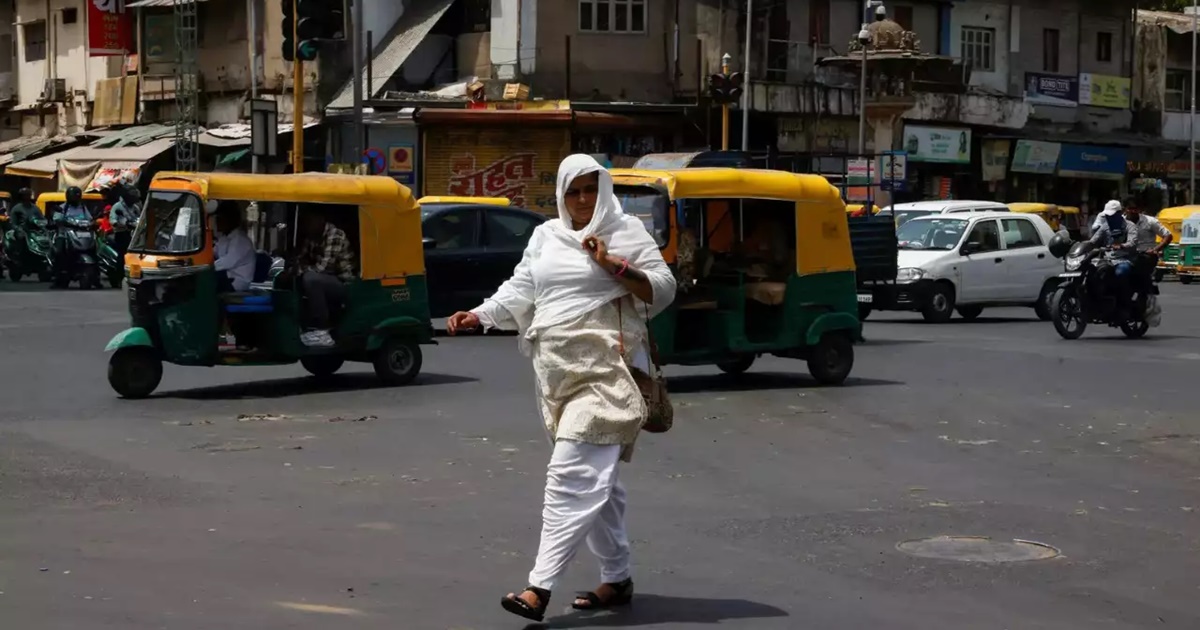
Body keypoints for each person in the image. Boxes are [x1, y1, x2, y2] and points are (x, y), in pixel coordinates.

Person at [446, 154, 676, 623]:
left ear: (605, 191)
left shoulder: (626, 231)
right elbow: (522, 288)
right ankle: (617, 577)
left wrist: (612, 265)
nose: (583, 199)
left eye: (591, 188)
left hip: (609, 370)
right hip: (556, 372)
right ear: (561, 195)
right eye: (574, 191)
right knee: (601, 482)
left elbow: (663, 287)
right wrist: (481, 315)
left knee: (571, 473)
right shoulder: (545, 236)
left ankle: (539, 587)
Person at [293, 209, 355, 347]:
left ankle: (322, 328)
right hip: (326, 279)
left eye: (310, 221)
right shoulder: (312, 236)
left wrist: (302, 270)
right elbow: (300, 259)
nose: (307, 225)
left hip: (343, 283)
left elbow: (324, 267)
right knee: (295, 279)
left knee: (311, 279)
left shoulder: (335, 234)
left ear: (320, 220)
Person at [1089, 200, 1136, 316]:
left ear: (1120, 213)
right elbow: (1093, 241)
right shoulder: (1105, 226)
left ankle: (1124, 303)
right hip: (1105, 259)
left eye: (1112, 215)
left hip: (1124, 259)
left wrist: (1121, 246)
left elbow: (1132, 242)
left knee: (1121, 273)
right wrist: (1081, 245)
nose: (1110, 218)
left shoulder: (1130, 226)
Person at [213, 201, 256, 292]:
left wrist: (206, 267)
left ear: (229, 219)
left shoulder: (241, 240)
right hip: (226, 278)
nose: (217, 222)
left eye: (220, 219)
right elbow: (213, 252)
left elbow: (228, 262)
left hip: (236, 282)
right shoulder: (224, 238)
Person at [108, 185, 140, 255]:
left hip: (133, 234)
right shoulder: (117, 206)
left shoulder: (135, 208)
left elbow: (139, 218)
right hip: (121, 234)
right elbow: (113, 221)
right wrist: (123, 224)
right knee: (123, 253)